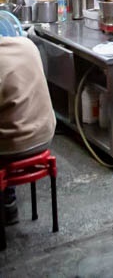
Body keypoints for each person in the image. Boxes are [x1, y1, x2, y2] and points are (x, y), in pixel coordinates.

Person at [1, 35, 57, 225]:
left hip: (15, 146)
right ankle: (9, 200)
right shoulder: (27, 45)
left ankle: (7, 202)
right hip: (45, 135)